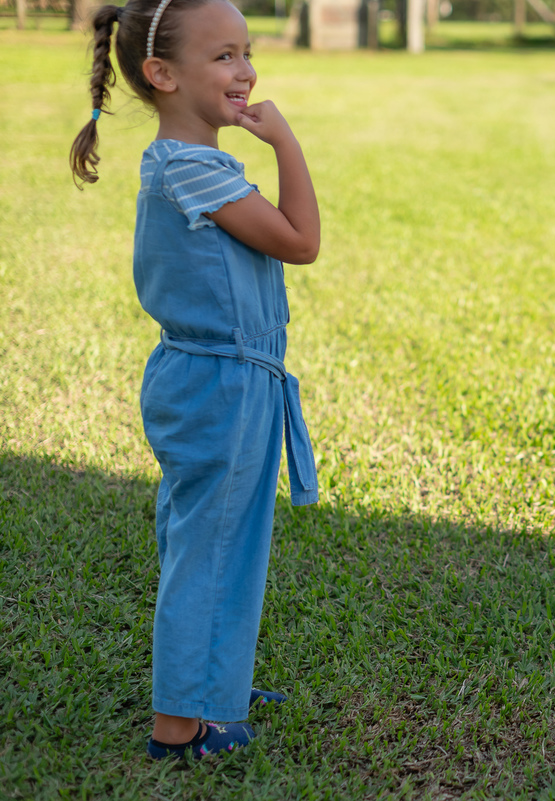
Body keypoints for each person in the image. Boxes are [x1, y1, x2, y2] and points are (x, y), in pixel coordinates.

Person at [70, 0, 321, 758]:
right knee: (212, 548)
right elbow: (301, 241)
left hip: (205, 378)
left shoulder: (181, 163)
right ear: (162, 74)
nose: (245, 70)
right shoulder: (197, 170)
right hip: (222, 387)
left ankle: (214, 682)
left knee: (212, 539)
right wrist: (286, 142)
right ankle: (180, 725)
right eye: (224, 56)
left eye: (246, 51)